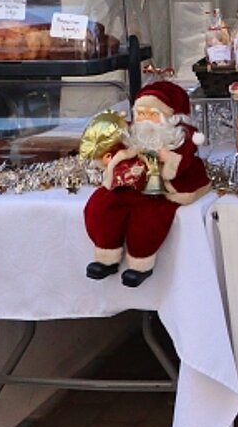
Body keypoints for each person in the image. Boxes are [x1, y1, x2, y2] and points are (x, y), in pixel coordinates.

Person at [82, 80, 210, 287]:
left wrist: (167, 157)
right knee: (101, 206)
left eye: (153, 114)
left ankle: (140, 265)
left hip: (158, 188)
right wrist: (107, 157)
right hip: (126, 184)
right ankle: (106, 256)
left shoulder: (180, 137)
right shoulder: (132, 133)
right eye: (141, 114)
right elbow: (115, 147)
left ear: (171, 118)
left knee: (147, 219)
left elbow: (184, 160)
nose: (145, 119)